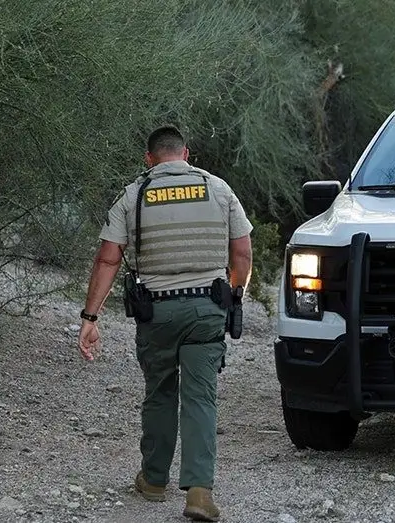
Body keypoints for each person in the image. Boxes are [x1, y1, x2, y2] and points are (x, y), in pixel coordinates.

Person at [76, 125, 253, 521]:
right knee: (200, 397)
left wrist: (90, 317)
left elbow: (108, 258)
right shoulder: (219, 189)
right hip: (208, 309)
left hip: (157, 312)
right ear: (186, 154)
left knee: (159, 392)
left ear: (150, 158)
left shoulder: (133, 194)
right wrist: (235, 294)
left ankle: (154, 480)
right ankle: (200, 493)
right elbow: (241, 251)